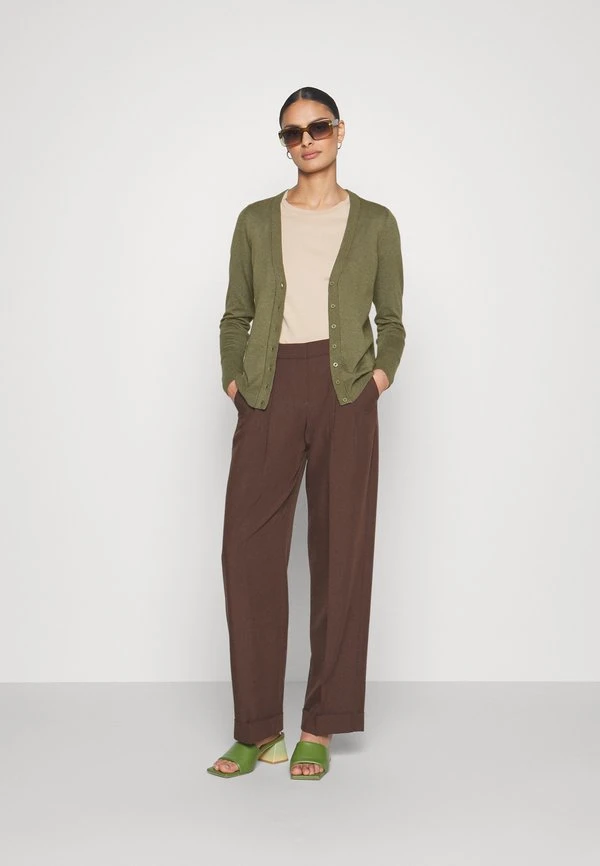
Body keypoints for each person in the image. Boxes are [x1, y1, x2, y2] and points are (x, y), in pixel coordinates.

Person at [207, 86, 406, 780]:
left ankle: (320, 724)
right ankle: (257, 727)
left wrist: (377, 379)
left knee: (340, 554)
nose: (306, 141)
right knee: (246, 554)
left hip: (345, 390)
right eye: (293, 133)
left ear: (340, 132)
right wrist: (236, 382)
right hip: (269, 388)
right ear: (285, 143)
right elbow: (235, 316)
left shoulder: (375, 222)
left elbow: (392, 321)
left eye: (317, 127)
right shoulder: (256, 221)